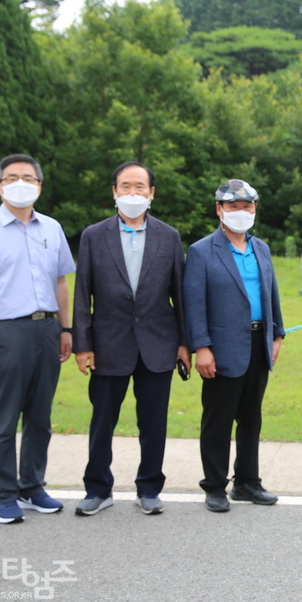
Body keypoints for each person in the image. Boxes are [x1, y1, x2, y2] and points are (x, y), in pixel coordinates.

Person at [0, 154, 75, 524]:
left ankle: (32, 485)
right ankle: (3, 494)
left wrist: (67, 328)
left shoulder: (51, 228)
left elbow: (61, 282)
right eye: (12, 177)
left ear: (39, 185)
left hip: (47, 329)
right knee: (4, 419)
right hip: (5, 332)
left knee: (40, 417)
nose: (20, 183)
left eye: (28, 177)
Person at [72, 162, 190, 517]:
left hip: (158, 343)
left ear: (152, 193)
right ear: (114, 192)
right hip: (108, 343)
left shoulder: (169, 236)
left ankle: (150, 487)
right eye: (126, 186)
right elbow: (82, 294)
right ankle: (97, 488)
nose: (133, 193)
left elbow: (180, 295)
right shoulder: (94, 235)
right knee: (102, 420)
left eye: (140, 186)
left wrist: (185, 343)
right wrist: (83, 344)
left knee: (153, 422)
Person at [183, 179, 285, 513]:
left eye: (247, 206)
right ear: (219, 209)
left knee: (251, 417)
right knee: (218, 419)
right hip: (221, 347)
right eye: (233, 206)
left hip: (258, 342)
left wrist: (277, 334)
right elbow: (194, 303)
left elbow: (271, 293)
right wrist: (202, 347)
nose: (241, 213)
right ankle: (214, 485)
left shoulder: (261, 248)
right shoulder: (201, 251)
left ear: (255, 209)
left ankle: (247, 482)